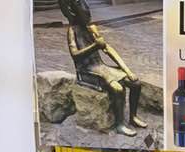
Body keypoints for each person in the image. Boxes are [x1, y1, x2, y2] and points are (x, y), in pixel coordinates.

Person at [58, 0, 146, 136]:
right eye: (81, 6)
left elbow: (109, 50)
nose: (87, 11)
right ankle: (119, 124)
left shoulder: (90, 29)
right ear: (72, 11)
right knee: (118, 88)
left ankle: (133, 117)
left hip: (101, 67)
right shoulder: (72, 31)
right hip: (87, 71)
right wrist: (95, 46)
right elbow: (75, 55)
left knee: (136, 83)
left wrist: (127, 71)